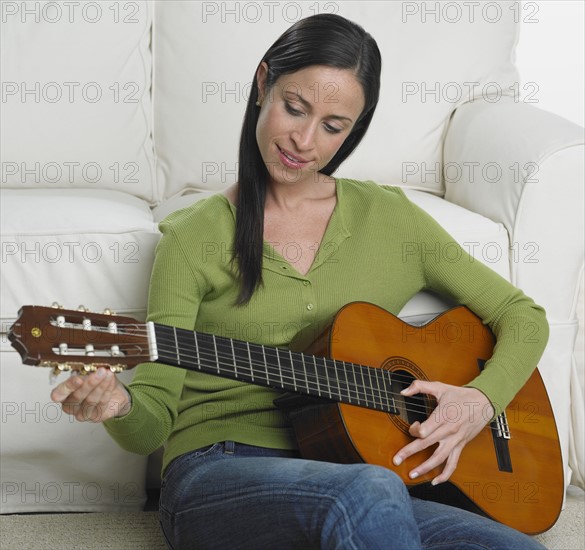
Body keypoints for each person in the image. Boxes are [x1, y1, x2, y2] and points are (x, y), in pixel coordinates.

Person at [51, 14, 549, 550]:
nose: (305, 141)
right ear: (263, 84)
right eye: (295, 107)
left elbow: (523, 317)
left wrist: (479, 400)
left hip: (356, 466)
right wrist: (117, 406)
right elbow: (151, 424)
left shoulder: (392, 220)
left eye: (334, 126)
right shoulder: (194, 238)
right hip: (219, 473)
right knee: (368, 496)